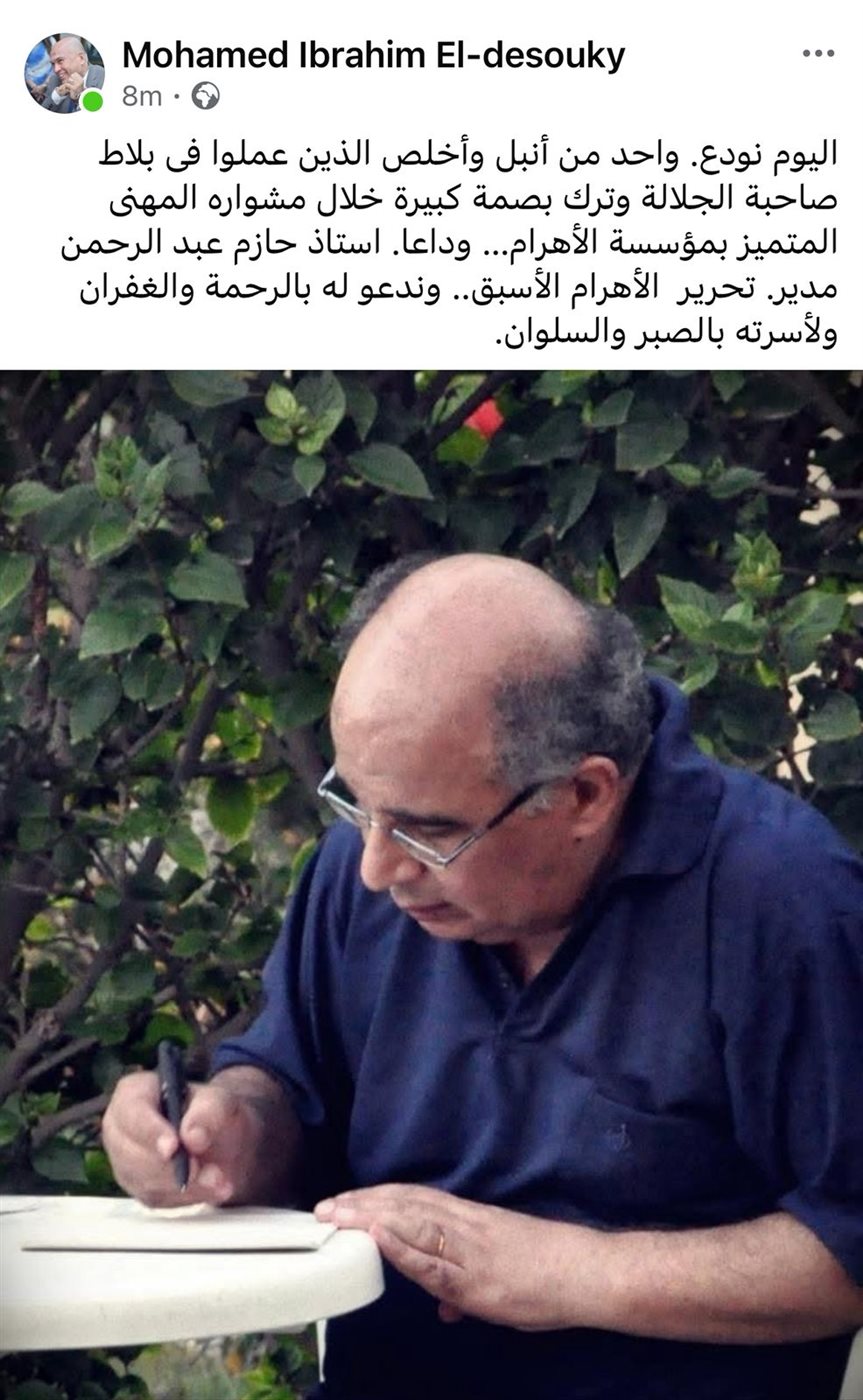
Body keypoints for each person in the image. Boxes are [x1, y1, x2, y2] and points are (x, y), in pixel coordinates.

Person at [102, 553, 863, 1400]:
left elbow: (849, 1244)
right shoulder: (366, 868)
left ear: (584, 796)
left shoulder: (783, 902)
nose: (377, 869)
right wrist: (231, 1133)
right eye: (357, 805)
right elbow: (290, 1088)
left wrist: (572, 1272)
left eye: (427, 831)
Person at [41, 35, 104, 113]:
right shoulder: (54, 80)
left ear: (81, 58)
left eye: (60, 61)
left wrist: (81, 96)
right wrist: (57, 96)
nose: (55, 70)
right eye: (53, 64)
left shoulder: (102, 77)